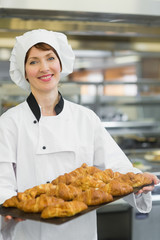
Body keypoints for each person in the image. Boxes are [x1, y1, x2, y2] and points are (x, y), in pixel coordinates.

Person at [0, 29, 159, 240]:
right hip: (30, 232)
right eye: (33, 61)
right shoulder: (10, 123)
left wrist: (138, 180)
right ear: (24, 70)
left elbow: (115, 169)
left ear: (61, 64)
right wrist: (9, 211)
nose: (44, 68)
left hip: (81, 233)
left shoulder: (86, 118)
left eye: (50, 58)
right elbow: (2, 184)